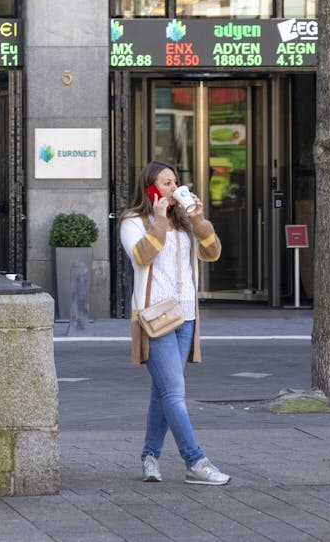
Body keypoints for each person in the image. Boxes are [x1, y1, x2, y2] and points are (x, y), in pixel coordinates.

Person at [118, 160, 230, 486]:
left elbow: (212, 253)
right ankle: (195, 461)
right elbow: (141, 256)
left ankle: (150, 456)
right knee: (175, 393)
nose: (172, 188)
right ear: (150, 188)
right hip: (154, 317)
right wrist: (159, 220)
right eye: (165, 183)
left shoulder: (185, 223)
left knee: (164, 391)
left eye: (174, 182)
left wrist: (198, 219)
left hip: (185, 317)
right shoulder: (133, 221)